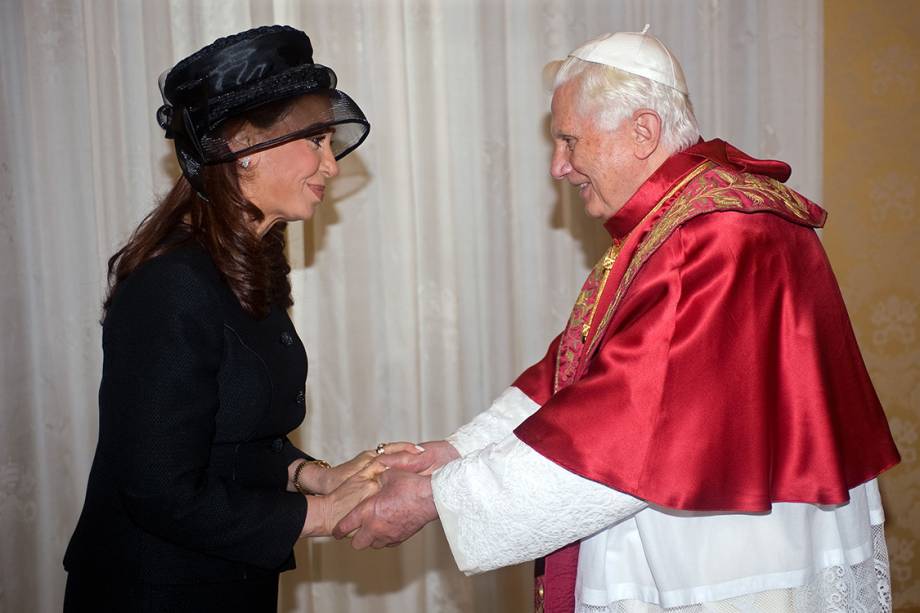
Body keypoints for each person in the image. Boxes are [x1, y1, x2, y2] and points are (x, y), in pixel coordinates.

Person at [334, 28, 902, 613]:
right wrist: (455, 453)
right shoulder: (678, 222)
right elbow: (575, 375)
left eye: (569, 140)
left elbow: (626, 425)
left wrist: (433, 499)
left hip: (728, 560)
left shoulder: (715, 236)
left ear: (642, 131)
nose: (559, 166)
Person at [63, 25, 416, 612]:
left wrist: (313, 476)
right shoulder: (172, 285)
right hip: (153, 591)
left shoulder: (247, 262)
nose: (331, 166)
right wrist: (323, 514)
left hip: (229, 582)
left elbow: (230, 436)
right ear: (243, 147)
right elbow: (158, 490)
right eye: (317, 142)